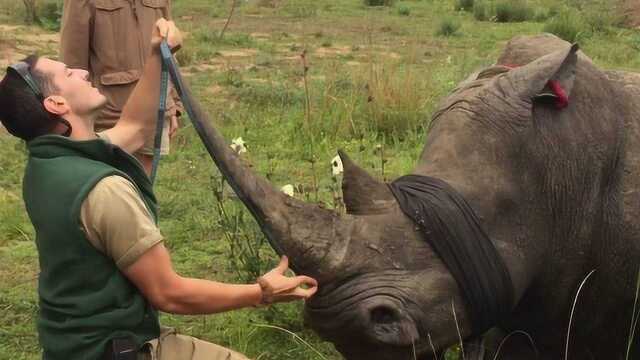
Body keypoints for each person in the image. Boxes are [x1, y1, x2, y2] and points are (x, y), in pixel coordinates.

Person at [0, 19, 317, 360]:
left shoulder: (48, 163)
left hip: (72, 346)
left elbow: (134, 128)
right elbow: (170, 294)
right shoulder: (104, 190)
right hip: (116, 350)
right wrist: (262, 292)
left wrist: (156, 55)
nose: (82, 71)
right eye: (68, 74)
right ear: (57, 104)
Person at [60, 0, 184, 174]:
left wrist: (173, 105)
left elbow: (169, 46)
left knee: (143, 188)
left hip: (156, 108)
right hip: (110, 116)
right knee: (111, 186)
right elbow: (73, 64)